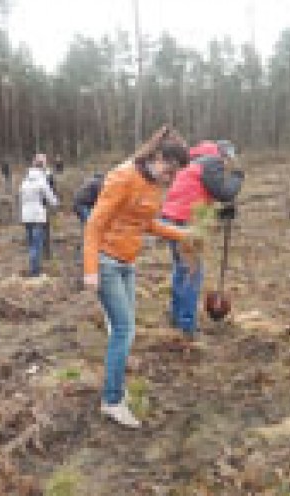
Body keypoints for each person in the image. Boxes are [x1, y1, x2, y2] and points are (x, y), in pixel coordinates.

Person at [83, 126, 201, 428]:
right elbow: (94, 225)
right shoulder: (122, 177)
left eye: (176, 174)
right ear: (158, 157)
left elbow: (147, 223)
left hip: (127, 263)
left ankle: (115, 381)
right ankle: (112, 400)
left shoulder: (153, 184)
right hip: (107, 263)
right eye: (170, 171)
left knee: (122, 330)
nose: (172, 179)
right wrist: (91, 270)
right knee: (124, 330)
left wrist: (182, 234)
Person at [161, 140, 244, 336]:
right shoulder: (212, 162)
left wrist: (220, 213)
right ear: (223, 154)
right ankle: (187, 326)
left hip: (171, 219)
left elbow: (196, 194)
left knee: (182, 270)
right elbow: (224, 192)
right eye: (228, 159)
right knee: (192, 273)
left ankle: (177, 316)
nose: (227, 164)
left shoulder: (195, 161)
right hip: (184, 223)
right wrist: (237, 178)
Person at [20, 156, 58, 277]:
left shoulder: (24, 182)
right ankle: (35, 271)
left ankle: (33, 268)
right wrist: (56, 203)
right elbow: (52, 199)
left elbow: (20, 198)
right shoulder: (42, 181)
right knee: (37, 244)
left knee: (31, 244)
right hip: (37, 216)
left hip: (25, 216)